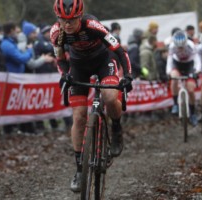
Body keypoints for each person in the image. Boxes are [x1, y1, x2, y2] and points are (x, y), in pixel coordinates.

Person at [50, 0, 132, 192]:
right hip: (78, 66)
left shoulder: (94, 26)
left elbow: (120, 50)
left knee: (111, 98)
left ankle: (117, 129)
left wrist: (128, 75)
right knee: (79, 117)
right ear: (58, 19)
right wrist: (65, 75)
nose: (67, 24)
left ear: (80, 16)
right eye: (63, 20)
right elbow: (60, 59)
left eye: (72, 20)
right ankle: (79, 168)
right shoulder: (57, 33)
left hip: (104, 61)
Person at [0, 22, 33, 135]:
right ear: (11, 31)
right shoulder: (7, 45)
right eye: (16, 31)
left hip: (16, 78)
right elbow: (20, 58)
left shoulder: (11, 43)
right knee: (11, 104)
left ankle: (16, 128)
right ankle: (9, 129)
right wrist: (29, 51)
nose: (18, 33)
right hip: (12, 79)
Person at [166, 30, 201, 126]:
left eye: (182, 47)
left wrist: (197, 71)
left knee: (190, 89)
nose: (180, 49)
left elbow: (197, 60)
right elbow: (169, 60)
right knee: (174, 78)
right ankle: (175, 104)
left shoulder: (191, 45)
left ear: (185, 42)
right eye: (178, 47)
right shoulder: (172, 46)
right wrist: (168, 72)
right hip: (177, 65)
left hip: (189, 65)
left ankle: (193, 113)